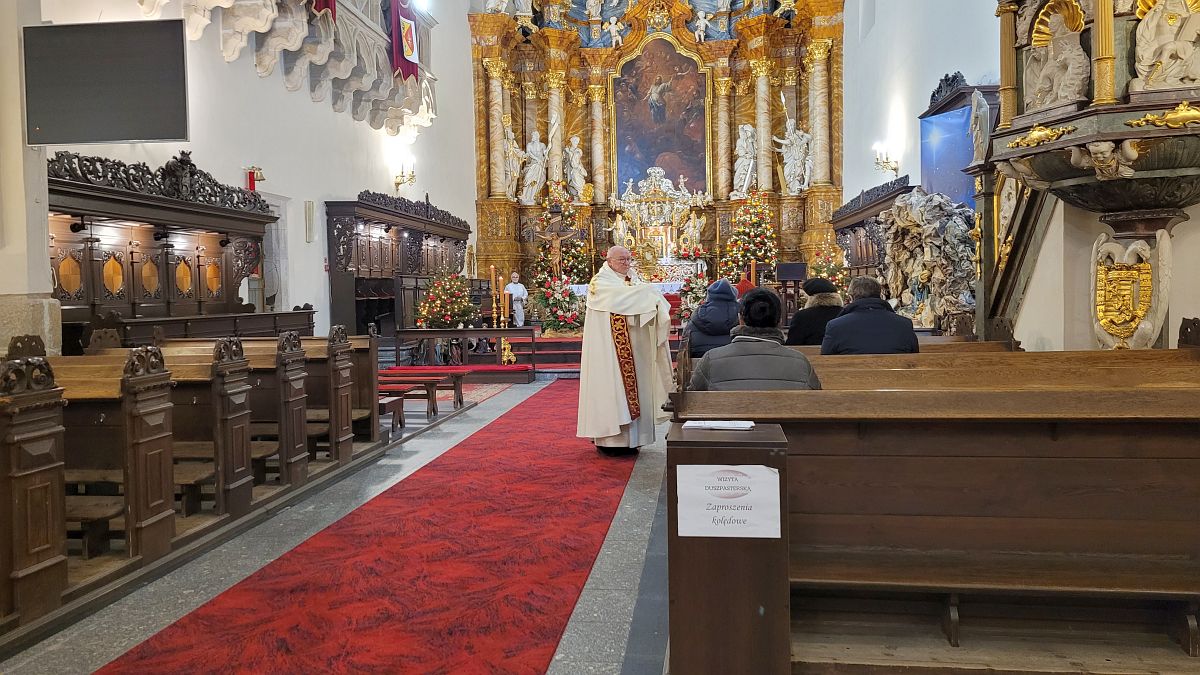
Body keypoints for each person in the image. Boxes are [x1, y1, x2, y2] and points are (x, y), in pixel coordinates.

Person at [578, 246, 673, 456]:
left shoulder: (634, 279)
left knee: (639, 388)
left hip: (636, 348)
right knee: (612, 390)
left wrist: (646, 297)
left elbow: (639, 299)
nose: (627, 263)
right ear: (609, 260)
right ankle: (610, 441)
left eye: (629, 259)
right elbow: (624, 298)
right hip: (610, 351)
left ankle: (635, 439)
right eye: (622, 259)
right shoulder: (600, 283)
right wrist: (646, 294)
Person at [689, 289, 821, 391]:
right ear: (779, 321)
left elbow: (691, 401)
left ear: (740, 319)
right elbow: (817, 401)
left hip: (727, 419)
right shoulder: (800, 362)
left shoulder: (711, 359)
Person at [821, 276, 919, 355]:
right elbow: (914, 355)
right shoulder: (904, 324)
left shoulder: (835, 326)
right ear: (880, 295)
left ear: (851, 297)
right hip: (897, 373)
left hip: (850, 373)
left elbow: (826, 359)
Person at [684, 278, 739, 357]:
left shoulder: (697, 316)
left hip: (701, 360)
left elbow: (685, 346)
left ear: (709, 296)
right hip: (736, 360)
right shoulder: (743, 316)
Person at [784, 277, 843, 346]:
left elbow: (792, 344)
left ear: (810, 298)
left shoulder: (802, 316)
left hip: (806, 352)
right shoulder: (844, 313)